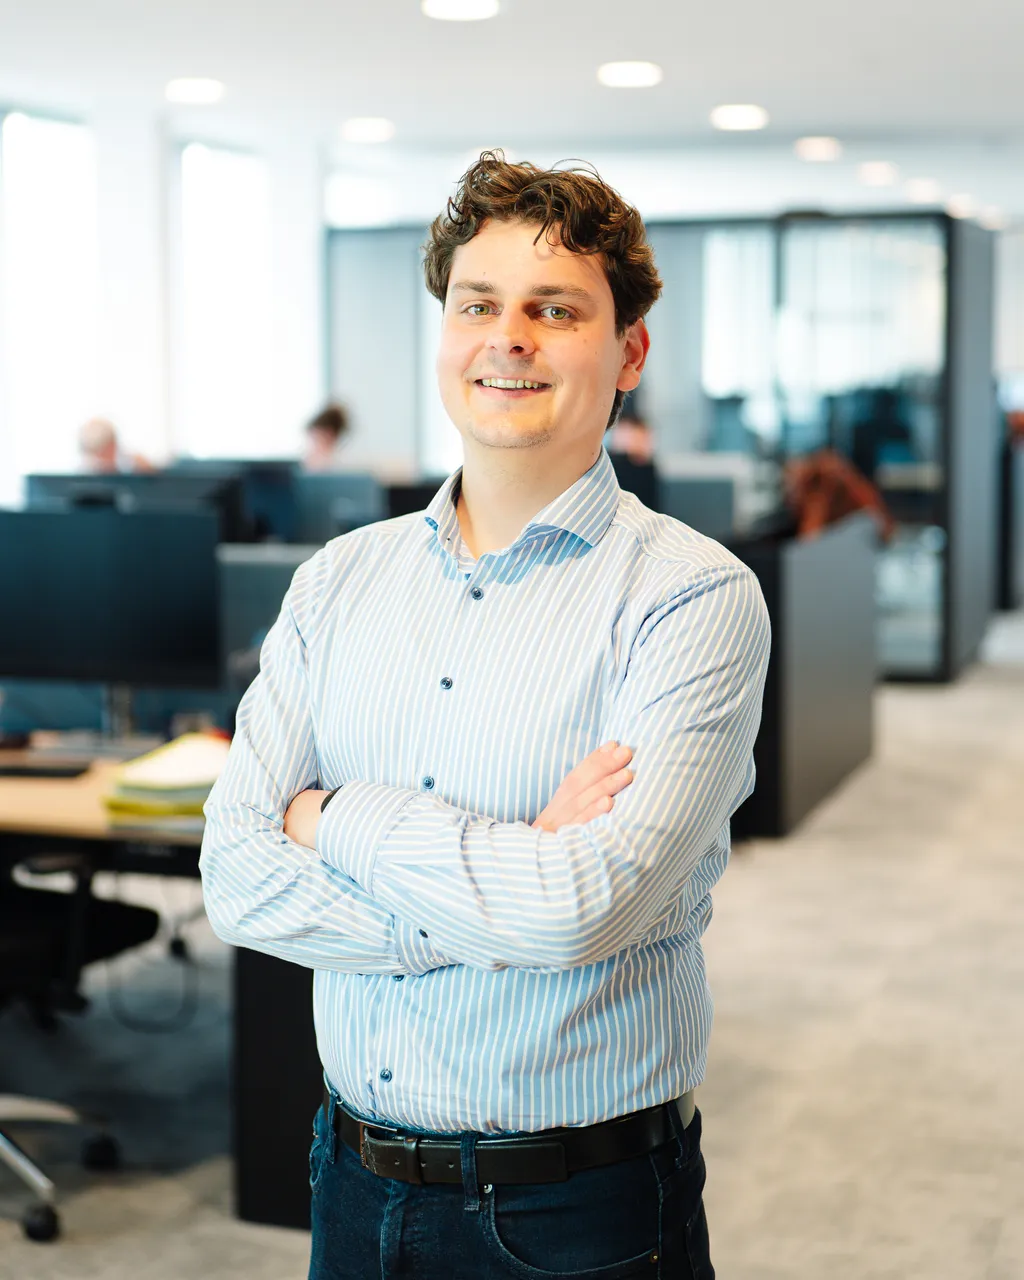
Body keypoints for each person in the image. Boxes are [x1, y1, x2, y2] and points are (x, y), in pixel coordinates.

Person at [200, 152, 770, 1280]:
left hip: (575, 1212)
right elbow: (234, 876)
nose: (507, 337)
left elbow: (574, 911)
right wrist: (497, 886)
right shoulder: (336, 581)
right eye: (479, 305)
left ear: (627, 352)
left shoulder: (691, 597)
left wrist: (332, 816)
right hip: (351, 1178)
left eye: (553, 310)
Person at [77, 416, 153, 474]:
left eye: (104, 452)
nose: (102, 463)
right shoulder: (83, 473)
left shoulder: (134, 464)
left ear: (113, 445)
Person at [302, 402, 350, 472]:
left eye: (315, 439)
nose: (312, 447)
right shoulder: (307, 462)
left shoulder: (339, 465)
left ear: (328, 435)